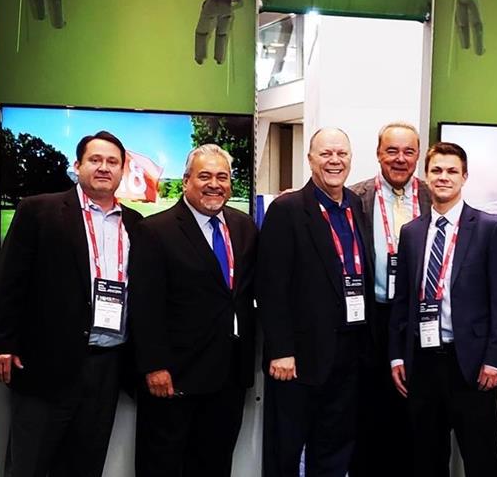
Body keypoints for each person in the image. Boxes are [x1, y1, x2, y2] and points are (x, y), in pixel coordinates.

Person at [0, 131, 143, 477]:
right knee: (31, 464)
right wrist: (0, 343)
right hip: (46, 363)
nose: (104, 168)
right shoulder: (39, 210)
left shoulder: (134, 223)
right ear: (78, 166)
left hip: (107, 364)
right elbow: (9, 280)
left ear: (122, 171)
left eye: (112, 162)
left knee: (86, 464)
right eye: (95, 160)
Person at [129, 144, 258, 477]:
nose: (214, 184)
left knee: (215, 464)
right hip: (175, 376)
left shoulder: (243, 227)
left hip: (229, 374)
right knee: (164, 465)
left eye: (222, 177)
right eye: (204, 176)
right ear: (186, 181)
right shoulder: (156, 230)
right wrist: (155, 365)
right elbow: (145, 304)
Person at [388, 142, 497, 477]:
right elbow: (403, 301)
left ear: (464, 176)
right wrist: (397, 356)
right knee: (426, 456)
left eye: (451, 171)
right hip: (423, 361)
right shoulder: (412, 232)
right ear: (426, 176)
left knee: (481, 456)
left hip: (471, 364)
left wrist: (495, 359)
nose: (443, 177)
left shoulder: (489, 229)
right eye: (436, 171)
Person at [256, 127, 374, 477]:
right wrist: (280, 349)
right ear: (310, 159)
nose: (334, 161)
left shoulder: (354, 205)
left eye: (342, 154)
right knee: (286, 451)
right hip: (299, 359)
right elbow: (271, 285)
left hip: (348, 354)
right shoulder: (287, 209)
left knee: (335, 447)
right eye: (326, 154)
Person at [348, 122, 431, 477]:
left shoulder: (433, 195)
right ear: (379, 154)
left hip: (419, 318)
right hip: (372, 316)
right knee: (368, 407)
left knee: (414, 405)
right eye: (392, 151)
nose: (400, 159)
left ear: (418, 155)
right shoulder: (355, 197)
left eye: (408, 151)